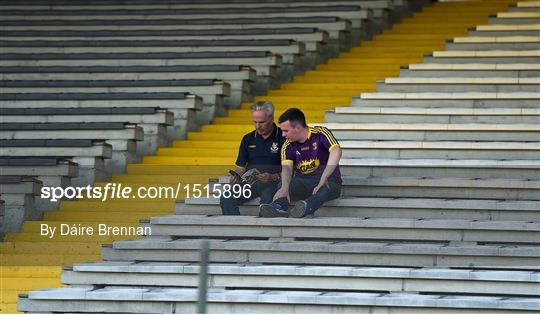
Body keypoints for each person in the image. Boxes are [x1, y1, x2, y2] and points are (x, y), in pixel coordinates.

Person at [260, 108, 342, 218]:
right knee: (283, 185)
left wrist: (324, 177)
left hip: (328, 181)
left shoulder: (320, 133)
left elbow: (336, 151)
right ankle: (278, 207)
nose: (283, 135)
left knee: (324, 188)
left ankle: (306, 207)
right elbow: (287, 168)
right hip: (303, 183)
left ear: (298, 127)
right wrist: (284, 187)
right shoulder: (287, 145)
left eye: (286, 131)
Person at [220, 101, 285, 215]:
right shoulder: (248, 138)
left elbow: (293, 168)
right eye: (255, 122)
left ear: (271, 119)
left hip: (274, 183)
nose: (258, 126)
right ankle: (235, 229)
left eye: (262, 122)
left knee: (266, 204)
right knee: (226, 196)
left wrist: (274, 177)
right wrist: (237, 175)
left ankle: (263, 231)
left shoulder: (284, 137)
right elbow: (241, 167)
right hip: (251, 183)